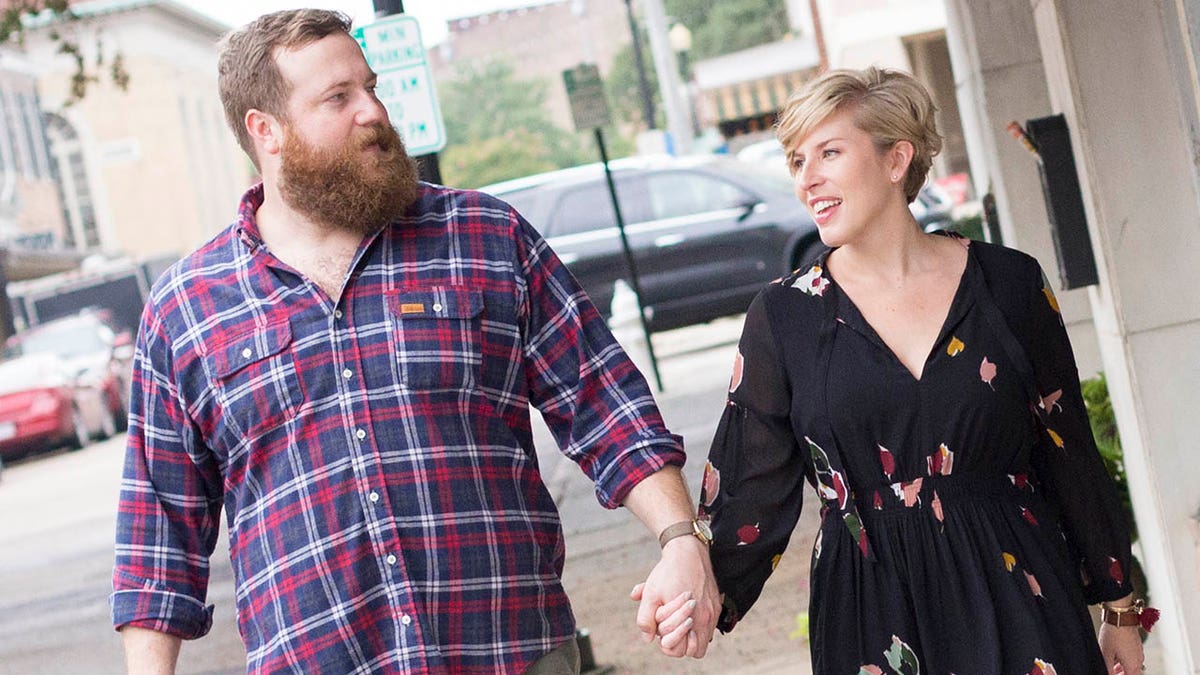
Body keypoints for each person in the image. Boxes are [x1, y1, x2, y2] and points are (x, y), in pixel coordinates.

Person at [110, 9, 717, 673]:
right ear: (266, 130)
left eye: (371, 87)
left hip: (509, 653)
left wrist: (681, 540)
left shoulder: (485, 237)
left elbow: (606, 404)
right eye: (338, 97)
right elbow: (157, 537)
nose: (372, 111)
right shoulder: (186, 309)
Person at [695, 67, 1151, 673]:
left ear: (896, 159)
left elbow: (1068, 451)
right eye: (797, 161)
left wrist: (1120, 609)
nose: (807, 179)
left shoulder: (1009, 284)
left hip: (1021, 594)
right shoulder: (784, 316)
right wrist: (693, 578)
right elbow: (749, 485)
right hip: (872, 614)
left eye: (829, 153)